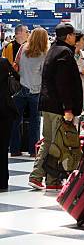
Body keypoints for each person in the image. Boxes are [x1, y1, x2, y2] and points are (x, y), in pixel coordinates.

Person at [28, 23, 83, 191]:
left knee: (55, 142)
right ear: (68, 36)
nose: (76, 37)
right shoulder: (65, 53)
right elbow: (63, 84)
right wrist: (68, 108)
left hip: (48, 104)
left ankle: (52, 179)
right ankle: (36, 175)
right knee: (52, 141)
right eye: (74, 34)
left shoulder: (54, 50)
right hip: (57, 106)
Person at [9, 27, 49, 157]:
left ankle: (14, 149)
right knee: (35, 121)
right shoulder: (44, 54)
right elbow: (44, 74)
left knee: (15, 120)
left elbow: (16, 65)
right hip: (35, 91)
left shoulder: (23, 48)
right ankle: (33, 150)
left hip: (21, 88)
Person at [0, 58, 19, 189]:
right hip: (4, 109)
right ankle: (2, 180)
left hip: (5, 110)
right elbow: (17, 78)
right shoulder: (3, 62)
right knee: (2, 147)